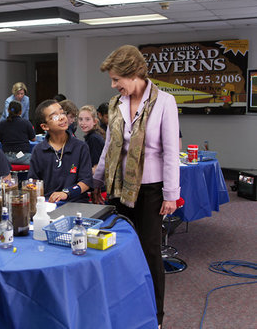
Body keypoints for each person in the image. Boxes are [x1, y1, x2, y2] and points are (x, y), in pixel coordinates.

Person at [92, 45, 180, 329]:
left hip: (152, 189)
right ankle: (125, 308)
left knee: (149, 251)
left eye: (117, 79)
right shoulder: (116, 103)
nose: (114, 85)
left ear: (135, 74)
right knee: (119, 248)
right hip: (119, 188)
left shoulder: (165, 102)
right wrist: (96, 181)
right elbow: (109, 147)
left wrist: (171, 195)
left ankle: (155, 317)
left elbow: (170, 153)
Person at [28, 99, 93, 203]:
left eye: (62, 113)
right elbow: (33, 182)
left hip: (76, 203)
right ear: (45, 126)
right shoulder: (38, 150)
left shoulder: (80, 147)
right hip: (49, 204)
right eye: (54, 116)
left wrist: (66, 193)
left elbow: (86, 182)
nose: (62, 117)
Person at [0, 100, 35, 165]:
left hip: (6, 157)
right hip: (23, 156)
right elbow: (33, 139)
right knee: (38, 160)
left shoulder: (2, 124)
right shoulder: (26, 123)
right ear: (20, 111)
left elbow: (0, 140)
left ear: (8, 110)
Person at [78, 105, 105, 173]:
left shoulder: (94, 138)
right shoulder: (92, 136)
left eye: (87, 119)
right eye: (80, 119)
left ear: (95, 121)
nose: (83, 123)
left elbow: (96, 167)